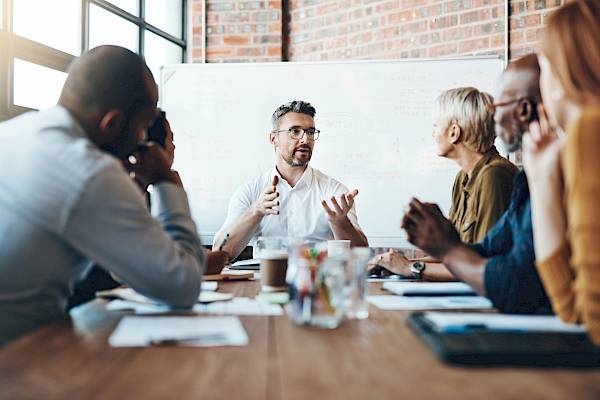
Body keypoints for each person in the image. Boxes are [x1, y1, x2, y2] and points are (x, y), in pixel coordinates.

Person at [0, 46, 204, 345]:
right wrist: (165, 182)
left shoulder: (12, 132)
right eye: (143, 127)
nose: (144, 140)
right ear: (113, 124)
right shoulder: (90, 172)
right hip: (20, 360)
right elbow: (181, 286)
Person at [395, 54, 550, 314]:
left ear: (454, 132)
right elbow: (484, 249)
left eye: (499, 104)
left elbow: (494, 268)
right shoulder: (522, 178)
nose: (494, 117)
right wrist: (425, 253)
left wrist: (415, 266)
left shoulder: (497, 175)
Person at [370, 87, 517, 275]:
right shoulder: (463, 177)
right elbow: (453, 254)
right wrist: (396, 264)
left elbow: (481, 265)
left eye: (435, 126)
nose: (433, 134)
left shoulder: (494, 175)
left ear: (454, 133)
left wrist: (410, 268)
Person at [523, 0, 600, 344]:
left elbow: (583, 316)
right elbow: (575, 311)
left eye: (544, 70)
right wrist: (541, 179)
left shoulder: (590, 128)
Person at [213, 100, 368, 259]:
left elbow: (362, 254)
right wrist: (256, 211)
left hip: (317, 281)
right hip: (266, 281)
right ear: (274, 139)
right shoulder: (251, 192)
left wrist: (341, 223)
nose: (305, 139)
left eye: (310, 132)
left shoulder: (335, 193)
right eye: (295, 131)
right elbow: (221, 252)